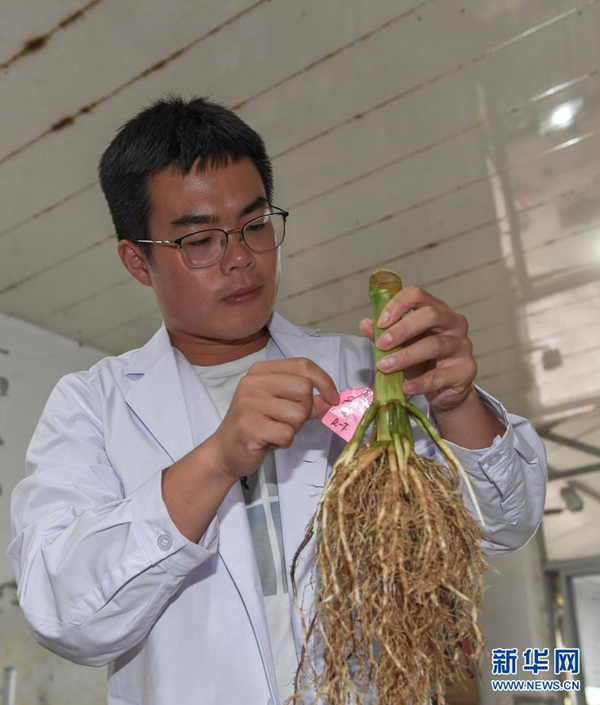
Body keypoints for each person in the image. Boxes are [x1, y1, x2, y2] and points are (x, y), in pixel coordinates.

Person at [9, 96, 547, 705]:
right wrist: (216, 460)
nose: (241, 258)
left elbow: (505, 525)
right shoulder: (93, 405)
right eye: (200, 241)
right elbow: (64, 615)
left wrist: (455, 403)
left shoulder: (365, 371)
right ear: (138, 260)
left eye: (256, 224)